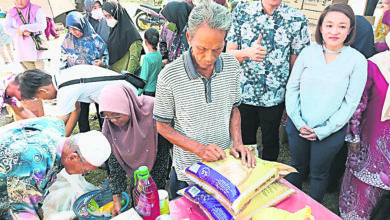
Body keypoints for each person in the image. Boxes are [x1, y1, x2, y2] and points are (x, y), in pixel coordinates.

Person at [153, 0, 256, 199]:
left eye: (217, 49)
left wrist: (238, 142)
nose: (209, 58)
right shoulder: (169, 76)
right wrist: (199, 149)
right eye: (202, 49)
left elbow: (234, 109)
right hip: (188, 172)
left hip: (224, 167)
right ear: (189, 37)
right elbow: (162, 126)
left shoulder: (232, 66)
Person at [285, 3, 367, 203]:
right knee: (296, 168)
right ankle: (287, 209)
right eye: (329, 25)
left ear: (350, 30)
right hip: (299, 126)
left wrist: (324, 130)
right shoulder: (308, 52)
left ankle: (312, 211)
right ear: (320, 27)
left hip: (330, 132)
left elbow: (350, 103)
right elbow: (292, 88)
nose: (334, 31)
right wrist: (297, 121)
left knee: (319, 174)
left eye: (341, 26)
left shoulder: (357, 60)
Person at [226, 0, 310, 161]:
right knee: (244, 143)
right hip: (243, 94)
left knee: (271, 142)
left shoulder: (297, 19)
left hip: (275, 97)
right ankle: (246, 180)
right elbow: (229, 55)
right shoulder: (242, 11)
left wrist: (291, 98)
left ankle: (268, 180)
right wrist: (247, 53)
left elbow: (297, 65)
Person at [0, 117, 111, 219]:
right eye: (85, 171)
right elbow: (22, 211)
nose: (83, 174)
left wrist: (38, 207)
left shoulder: (55, 125)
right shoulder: (34, 166)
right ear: (73, 157)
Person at [339, 33, 390, 220]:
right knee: (361, 189)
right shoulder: (375, 65)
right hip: (369, 142)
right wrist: (353, 136)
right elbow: (357, 105)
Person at [99, 84, 171, 216]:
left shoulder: (152, 109)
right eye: (107, 116)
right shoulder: (110, 125)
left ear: (127, 106)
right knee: (139, 197)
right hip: (136, 169)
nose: (113, 120)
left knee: (156, 199)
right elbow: (115, 163)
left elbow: (165, 146)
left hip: (157, 159)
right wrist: (117, 197)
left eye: (117, 114)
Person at [18, 65, 137, 137]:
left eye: (39, 97)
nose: (42, 100)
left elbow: (58, 124)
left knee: (116, 137)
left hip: (124, 101)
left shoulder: (65, 90)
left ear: (43, 90)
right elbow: (76, 109)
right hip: (125, 92)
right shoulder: (62, 76)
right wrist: (64, 138)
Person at [61, 11, 108, 133]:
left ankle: (106, 133)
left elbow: (105, 56)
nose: (74, 32)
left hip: (96, 81)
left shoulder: (95, 40)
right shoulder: (67, 42)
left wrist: (103, 63)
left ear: (82, 25)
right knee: (82, 113)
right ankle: (85, 136)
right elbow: (63, 64)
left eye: (76, 29)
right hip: (79, 84)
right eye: (71, 29)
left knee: (102, 110)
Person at [102, 0, 143, 75]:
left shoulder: (130, 31)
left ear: (116, 14)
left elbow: (134, 57)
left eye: (109, 15)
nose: (108, 18)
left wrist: (127, 75)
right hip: (115, 74)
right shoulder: (114, 29)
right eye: (106, 16)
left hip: (126, 75)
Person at [4, 0, 46, 70]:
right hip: (22, 51)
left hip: (37, 49)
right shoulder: (11, 13)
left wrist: (24, 27)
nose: (20, 2)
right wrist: (21, 33)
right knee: (29, 77)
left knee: (43, 75)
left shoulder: (36, 9)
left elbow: (42, 25)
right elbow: (7, 28)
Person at [139, 28, 162, 97]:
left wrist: (138, 92)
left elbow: (144, 78)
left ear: (146, 41)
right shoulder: (159, 55)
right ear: (158, 41)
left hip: (148, 91)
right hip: (156, 89)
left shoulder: (147, 58)